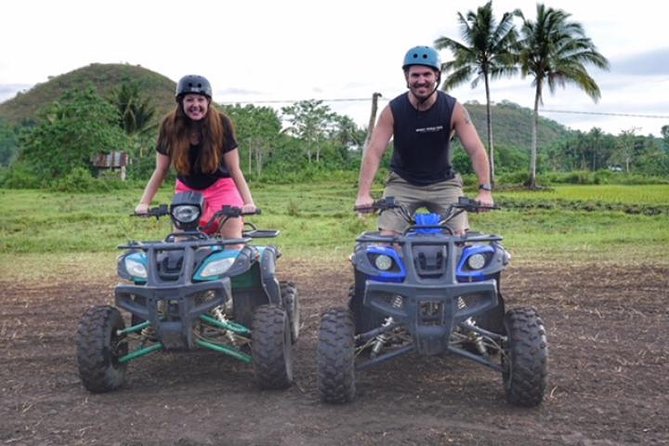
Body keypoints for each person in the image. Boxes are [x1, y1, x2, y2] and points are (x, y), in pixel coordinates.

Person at [355, 46, 494, 236]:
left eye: (427, 74)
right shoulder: (393, 110)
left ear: (437, 76)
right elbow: (374, 151)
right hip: (403, 181)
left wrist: (485, 190)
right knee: (388, 239)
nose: (421, 81)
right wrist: (364, 193)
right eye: (415, 75)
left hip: (444, 182)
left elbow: (476, 150)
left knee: (458, 238)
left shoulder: (453, 109)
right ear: (407, 78)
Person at [135, 74, 256, 239]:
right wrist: (144, 202)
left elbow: (234, 169)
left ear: (208, 102)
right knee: (182, 242)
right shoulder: (169, 126)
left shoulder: (222, 124)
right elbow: (161, 169)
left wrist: (248, 202)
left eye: (200, 100)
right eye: (190, 100)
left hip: (221, 186)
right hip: (187, 189)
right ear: (181, 102)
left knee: (232, 235)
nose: (195, 105)